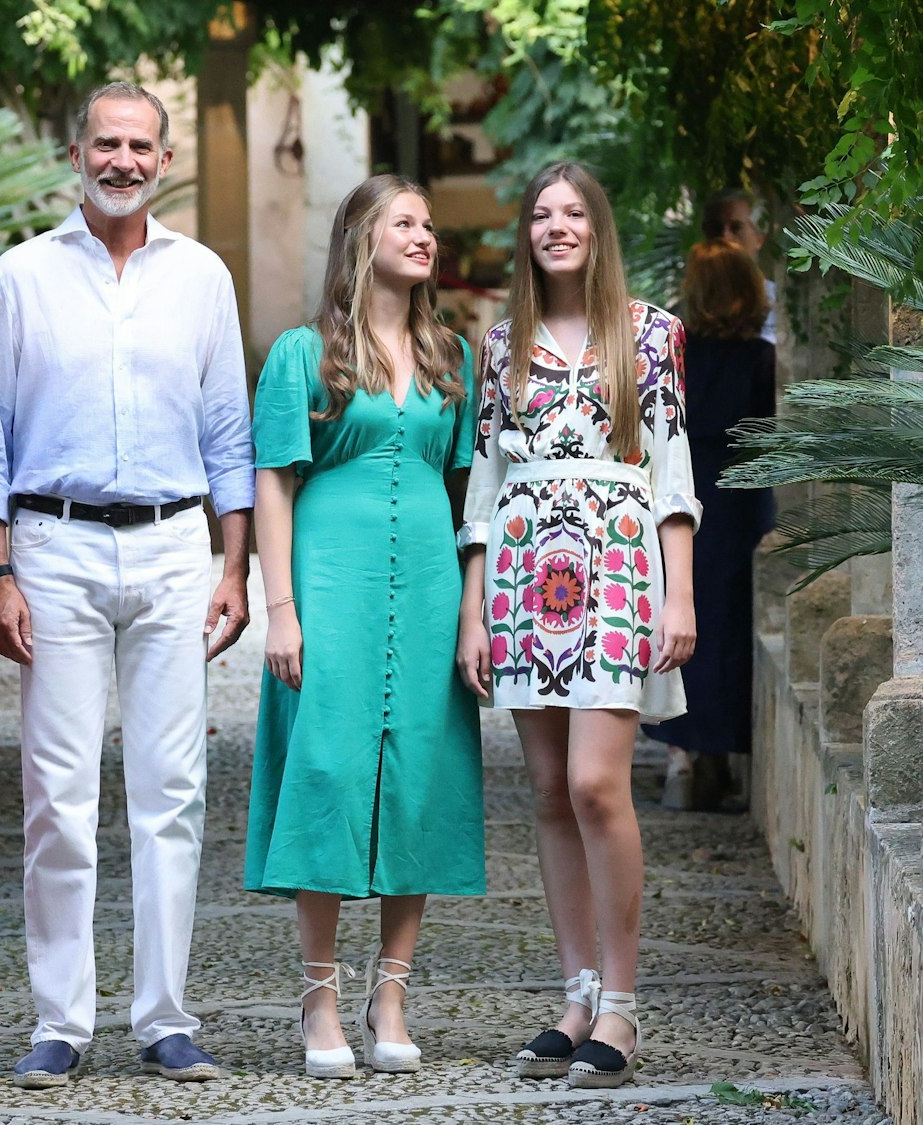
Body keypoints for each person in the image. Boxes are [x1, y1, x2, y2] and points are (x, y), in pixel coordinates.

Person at [0, 81, 253, 1090]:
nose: (122, 160)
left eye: (139, 146)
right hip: (56, 546)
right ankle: (60, 1022)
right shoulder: (19, 277)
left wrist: (233, 562)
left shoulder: (203, 277)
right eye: (105, 144)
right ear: (74, 153)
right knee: (57, 794)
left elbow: (228, 433)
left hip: (175, 546)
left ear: (161, 161)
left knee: (172, 792)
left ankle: (166, 1018)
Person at [456, 162, 700, 1089]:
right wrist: (473, 608)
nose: (556, 227)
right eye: (540, 215)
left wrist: (679, 594)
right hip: (523, 574)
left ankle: (625, 1008)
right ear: (526, 234)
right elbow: (482, 483)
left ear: (597, 228)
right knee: (552, 790)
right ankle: (577, 991)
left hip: (617, 566)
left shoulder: (653, 333)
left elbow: (673, 470)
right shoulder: (501, 344)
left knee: (600, 783)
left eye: (573, 214)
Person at [247, 174, 486, 1080]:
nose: (425, 236)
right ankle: (319, 996)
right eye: (406, 222)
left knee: (416, 772)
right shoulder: (301, 355)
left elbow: (472, 498)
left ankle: (391, 993)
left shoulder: (450, 358)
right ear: (361, 235)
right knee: (328, 769)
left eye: (430, 224)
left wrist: (473, 610)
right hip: (332, 583)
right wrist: (281, 607)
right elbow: (273, 480)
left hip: (426, 586)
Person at [642, 239, 776, 805]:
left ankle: (684, 754)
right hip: (742, 497)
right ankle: (719, 751)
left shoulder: (678, 354)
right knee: (727, 620)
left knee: (679, 608)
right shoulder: (761, 361)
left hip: (683, 492)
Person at [701, 189, 777, 344]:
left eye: (736, 228)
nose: (725, 237)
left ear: (759, 239)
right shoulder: (695, 305)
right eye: (716, 228)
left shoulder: (780, 303)